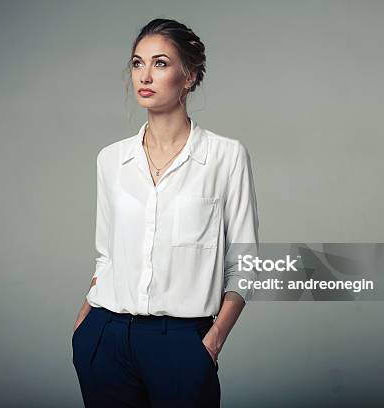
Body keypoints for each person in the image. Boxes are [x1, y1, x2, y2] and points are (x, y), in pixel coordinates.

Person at [71, 18, 259, 408]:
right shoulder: (112, 160)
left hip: (181, 342)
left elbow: (245, 263)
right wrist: (84, 327)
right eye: (138, 63)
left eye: (160, 63)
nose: (145, 74)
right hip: (105, 335)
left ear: (188, 76)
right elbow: (105, 254)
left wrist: (214, 339)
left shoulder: (226, 157)